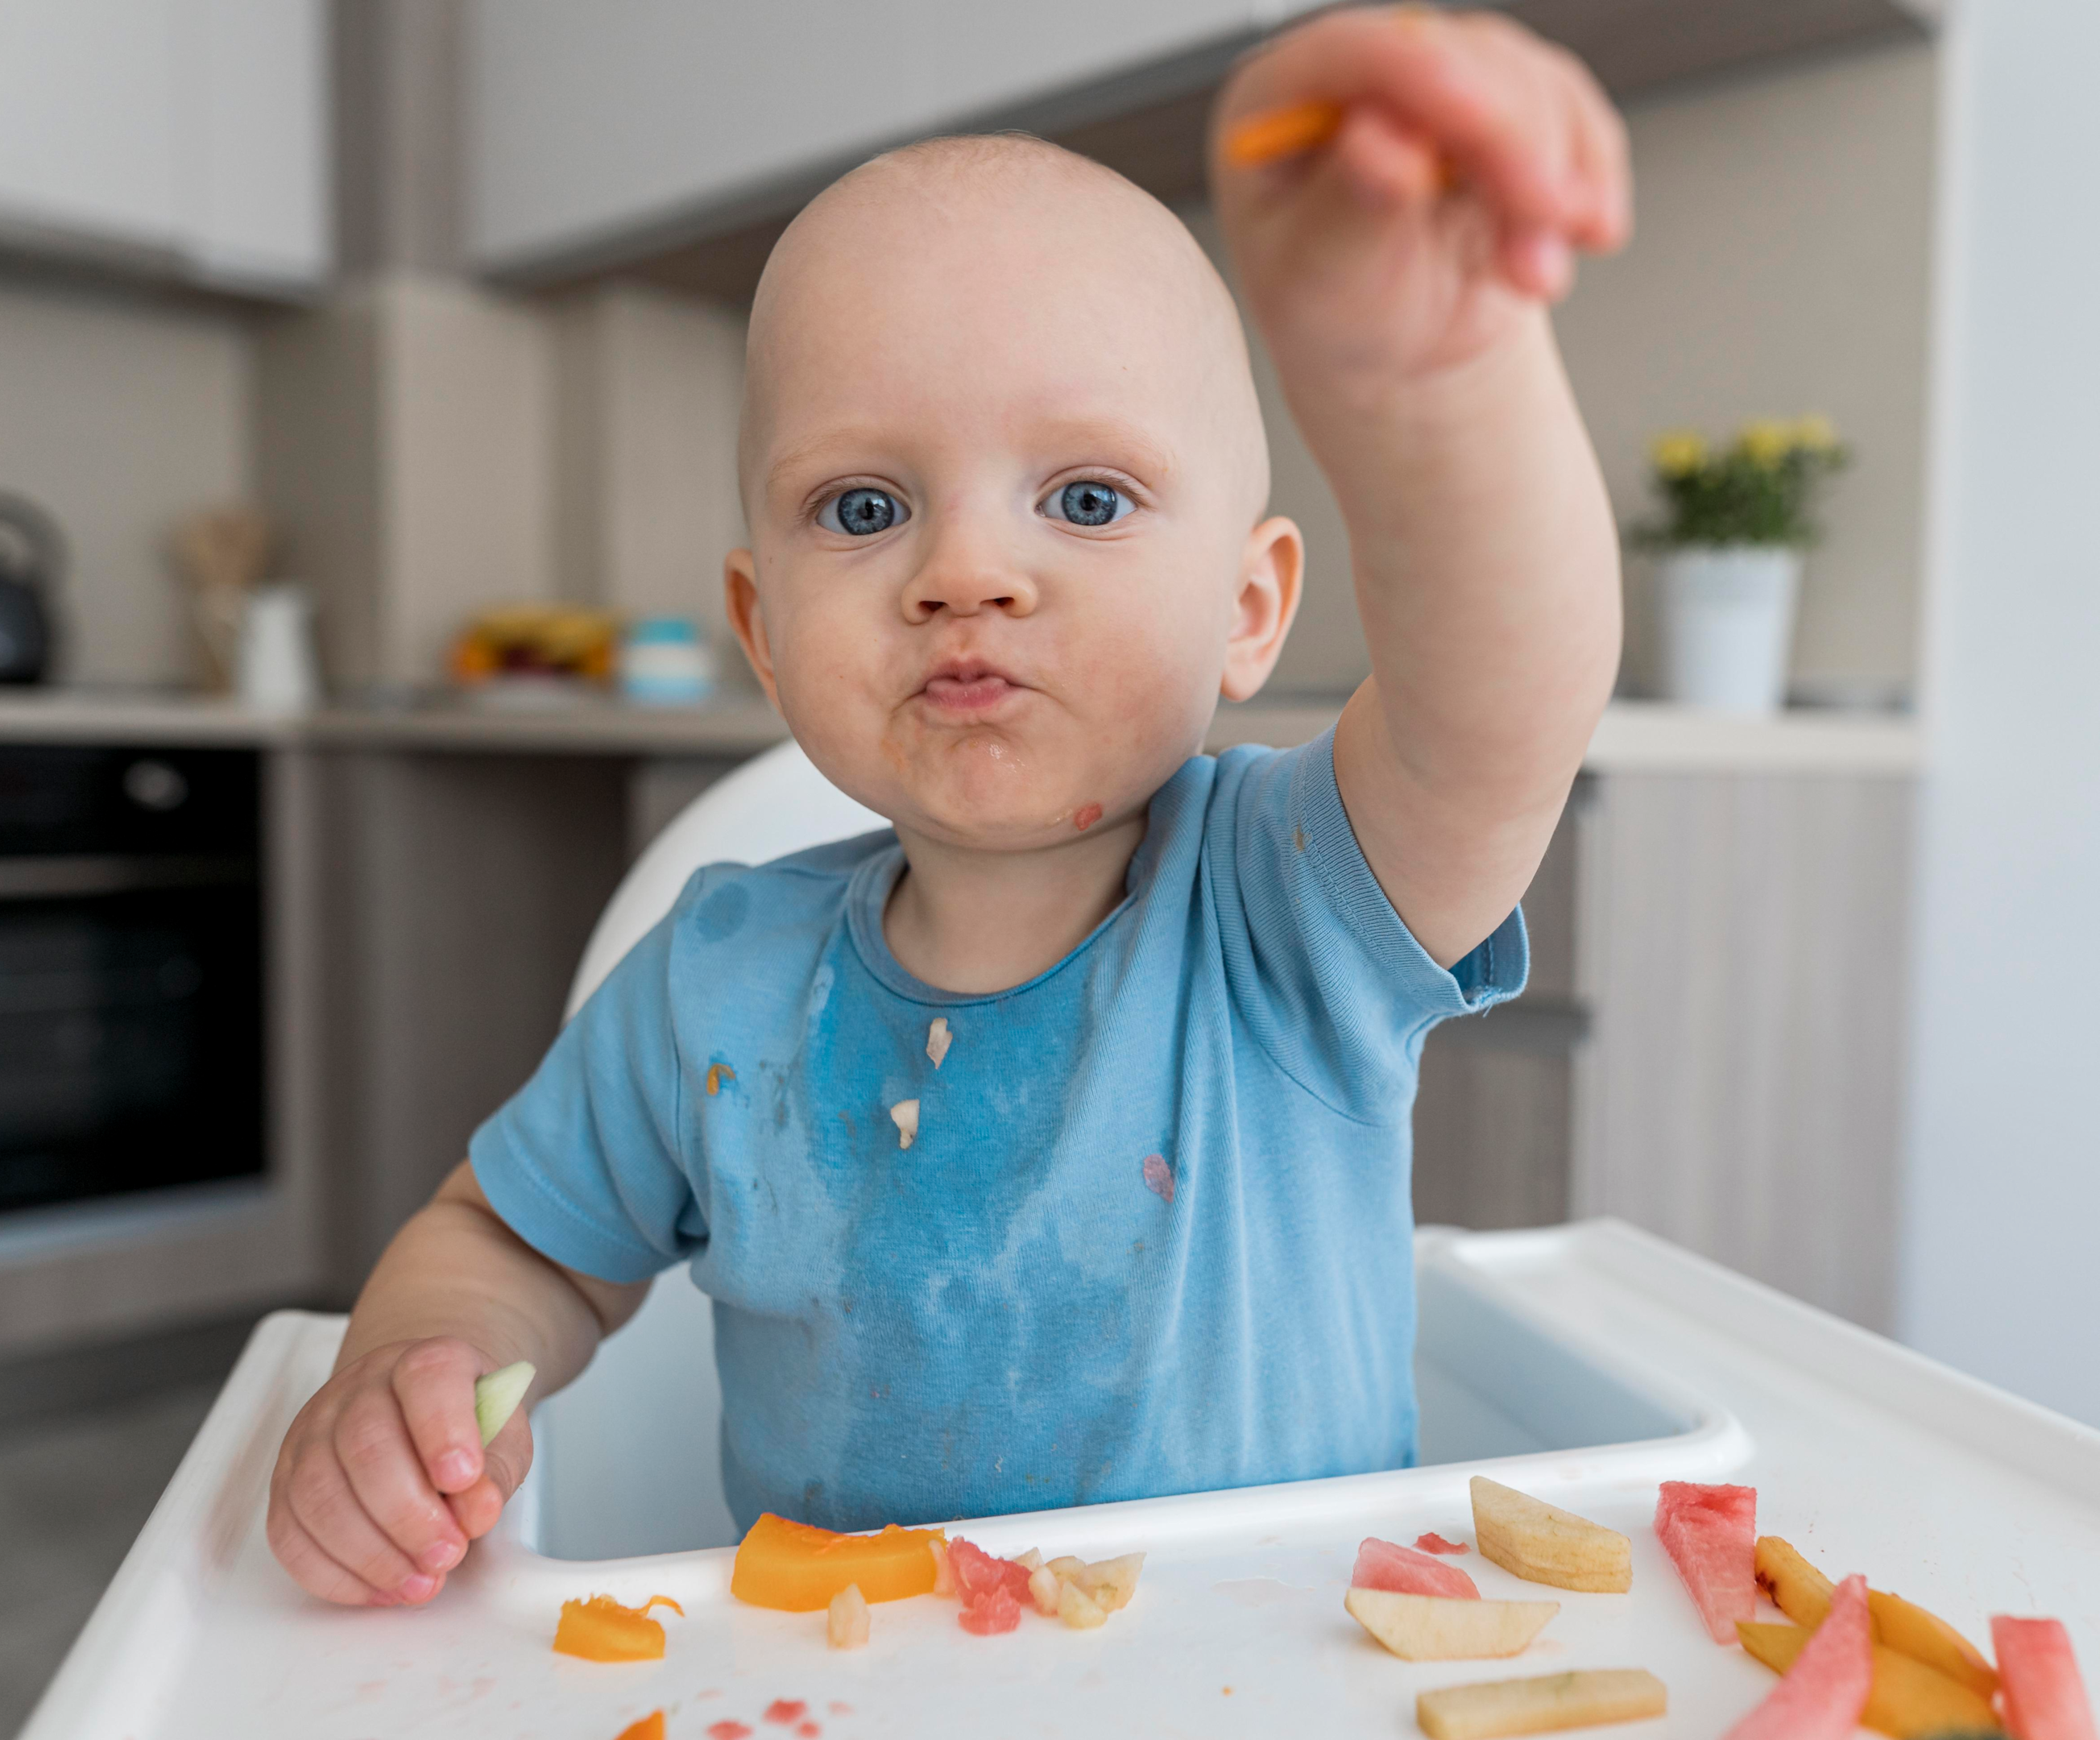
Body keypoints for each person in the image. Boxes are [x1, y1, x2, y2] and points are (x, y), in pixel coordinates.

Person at [267, 5, 1628, 1607]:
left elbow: (1504, 704)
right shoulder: (717, 984)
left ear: (1250, 610)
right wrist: (412, 1373)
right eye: (865, 506)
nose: (968, 571)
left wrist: (1430, 383)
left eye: (1087, 497)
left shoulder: (1289, 905)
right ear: (764, 631)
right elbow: (512, 1243)